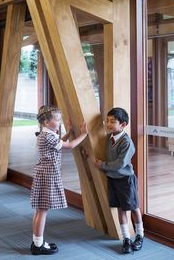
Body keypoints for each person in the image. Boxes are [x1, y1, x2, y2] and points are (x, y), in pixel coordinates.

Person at [30, 105, 88, 255]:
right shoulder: (48, 136)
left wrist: (69, 131)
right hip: (47, 175)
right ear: (47, 122)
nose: (59, 121)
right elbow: (69, 145)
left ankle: (38, 241)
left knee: (40, 210)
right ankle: (37, 245)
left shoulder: (47, 134)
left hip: (44, 173)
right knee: (42, 211)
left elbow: (60, 143)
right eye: (57, 119)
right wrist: (84, 134)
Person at [94, 107, 144, 254]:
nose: (108, 124)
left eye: (113, 121)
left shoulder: (126, 142)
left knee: (133, 207)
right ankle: (126, 239)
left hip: (126, 180)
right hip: (113, 179)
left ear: (123, 125)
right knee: (120, 209)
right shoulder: (109, 138)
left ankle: (140, 235)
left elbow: (120, 163)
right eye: (107, 121)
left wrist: (102, 165)